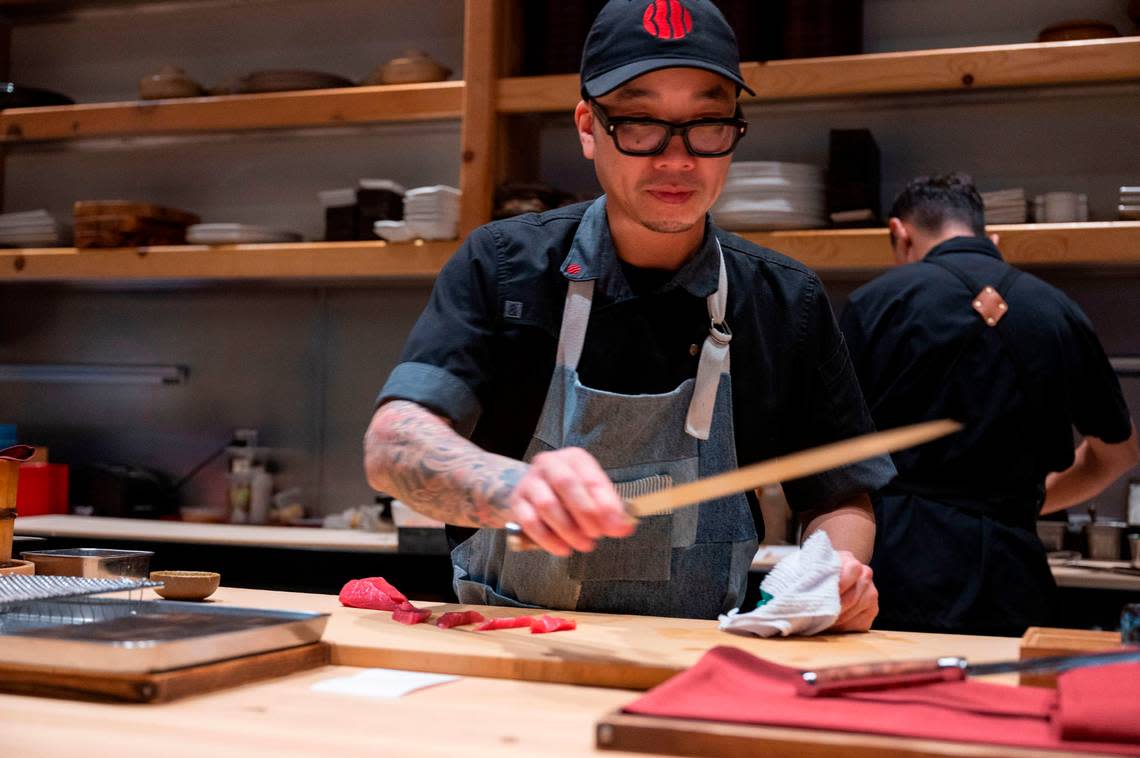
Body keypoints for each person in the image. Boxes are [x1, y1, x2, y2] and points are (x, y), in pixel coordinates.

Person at [364, 0, 893, 625]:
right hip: (509, 647)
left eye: (707, 122)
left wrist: (836, 574)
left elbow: (839, 494)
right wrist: (515, 487)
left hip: (695, 659)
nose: (677, 159)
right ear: (589, 126)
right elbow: (392, 446)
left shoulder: (784, 300)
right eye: (639, 123)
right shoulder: (507, 266)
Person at [840, 173, 1139, 637]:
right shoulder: (1059, 310)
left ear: (898, 234)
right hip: (1012, 569)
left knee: (898, 704)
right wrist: (1026, 502)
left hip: (899, 569)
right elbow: (1118, 454)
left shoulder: (875, 304)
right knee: (1008, 701)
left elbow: (831, 451)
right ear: (991, 238)